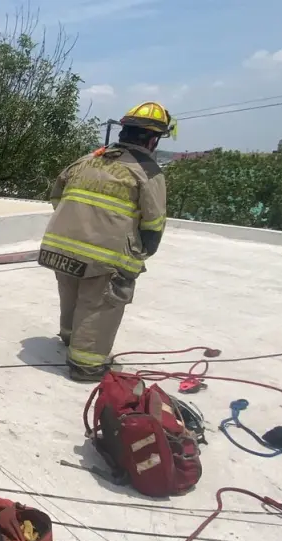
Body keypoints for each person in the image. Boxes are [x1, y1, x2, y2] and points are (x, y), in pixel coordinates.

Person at [39, 101, 172, 382]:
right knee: (99, 304)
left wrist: (76, 228)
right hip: (104, 255)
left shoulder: (87, 160)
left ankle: (70, 338)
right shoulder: (147, 171)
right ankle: (85, 364)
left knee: (71, 294)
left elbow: (56, 197)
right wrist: (138, 254)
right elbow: (153, 224)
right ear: (152, 139)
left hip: (60, 246)